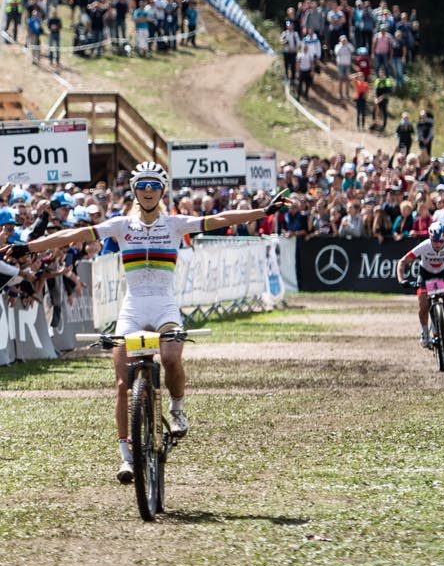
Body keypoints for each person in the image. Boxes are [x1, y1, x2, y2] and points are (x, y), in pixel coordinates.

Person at [32, 161, 278, 484]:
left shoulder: (175, 224)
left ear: (162, 190)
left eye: (154, 186)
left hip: (164, 306)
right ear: (135, 191)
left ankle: (177, 407)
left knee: (173, 357)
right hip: (132, 308)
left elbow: (219, 219)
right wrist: (30, 246)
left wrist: (262, 212)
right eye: (143, 186)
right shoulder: (121, 225)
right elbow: (73, 234)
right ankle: (126, 458)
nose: (148, 191)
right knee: (122, 385)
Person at [394, 223, 444, 346]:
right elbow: (403, 261)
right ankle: (425, 333)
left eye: (441, 241)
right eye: (435, 241)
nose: (438, 244)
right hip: (425, 274)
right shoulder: (424, 246)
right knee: (423, 305)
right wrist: (401, 280)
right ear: (430, 238)